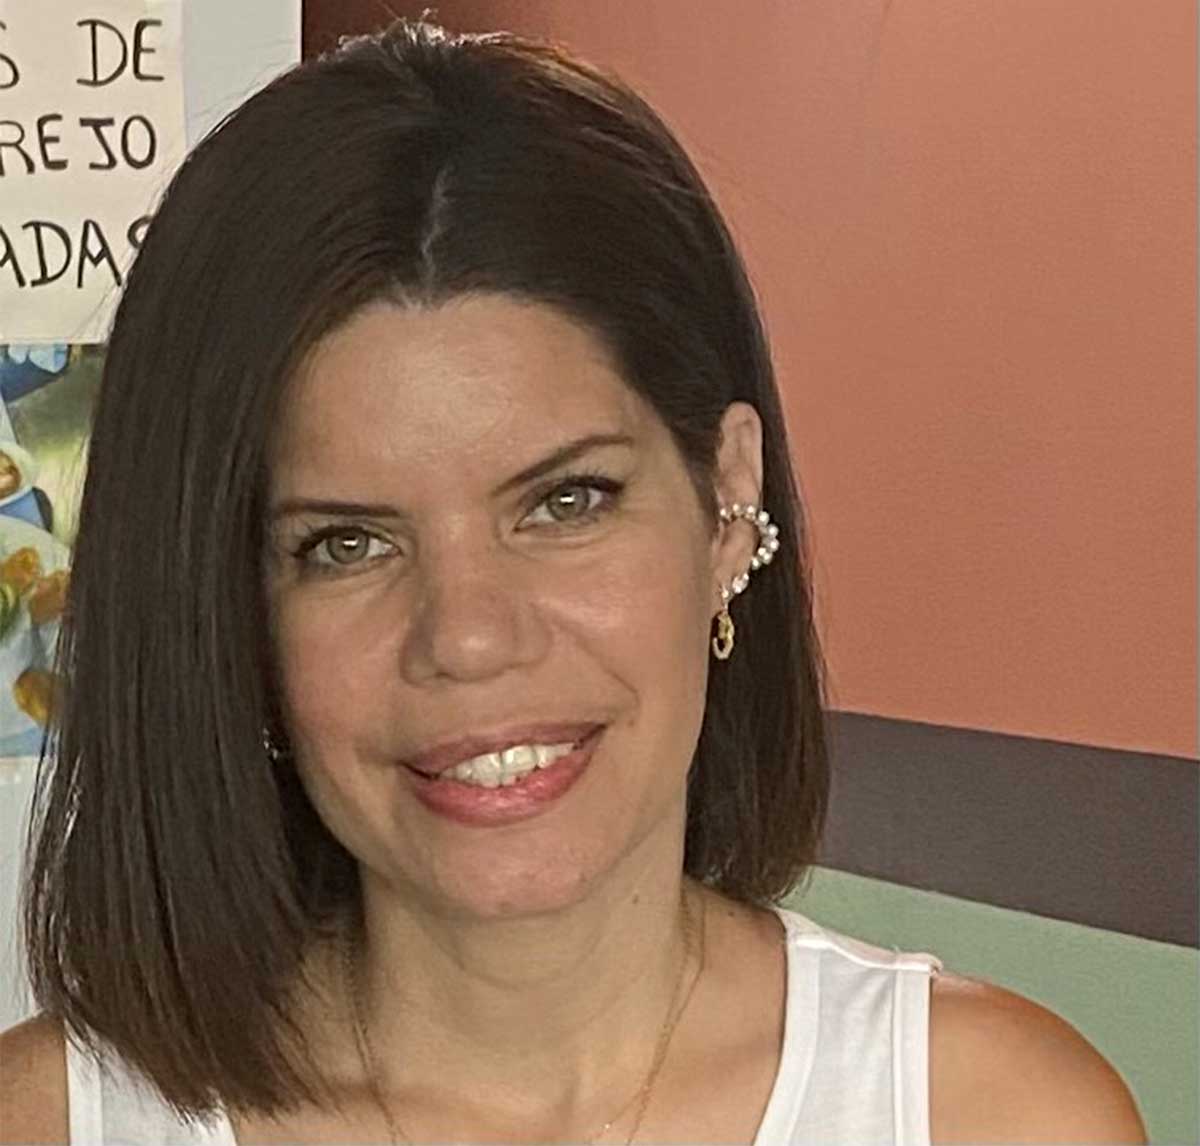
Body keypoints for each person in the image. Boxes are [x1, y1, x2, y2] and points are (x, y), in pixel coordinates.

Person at [0, 18, 1146, 1145]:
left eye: (566, 501)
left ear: (726, 503)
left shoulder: (996, 1118)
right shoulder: (49, 1122)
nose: (469, 635)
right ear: (228, 612)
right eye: (346, 544)